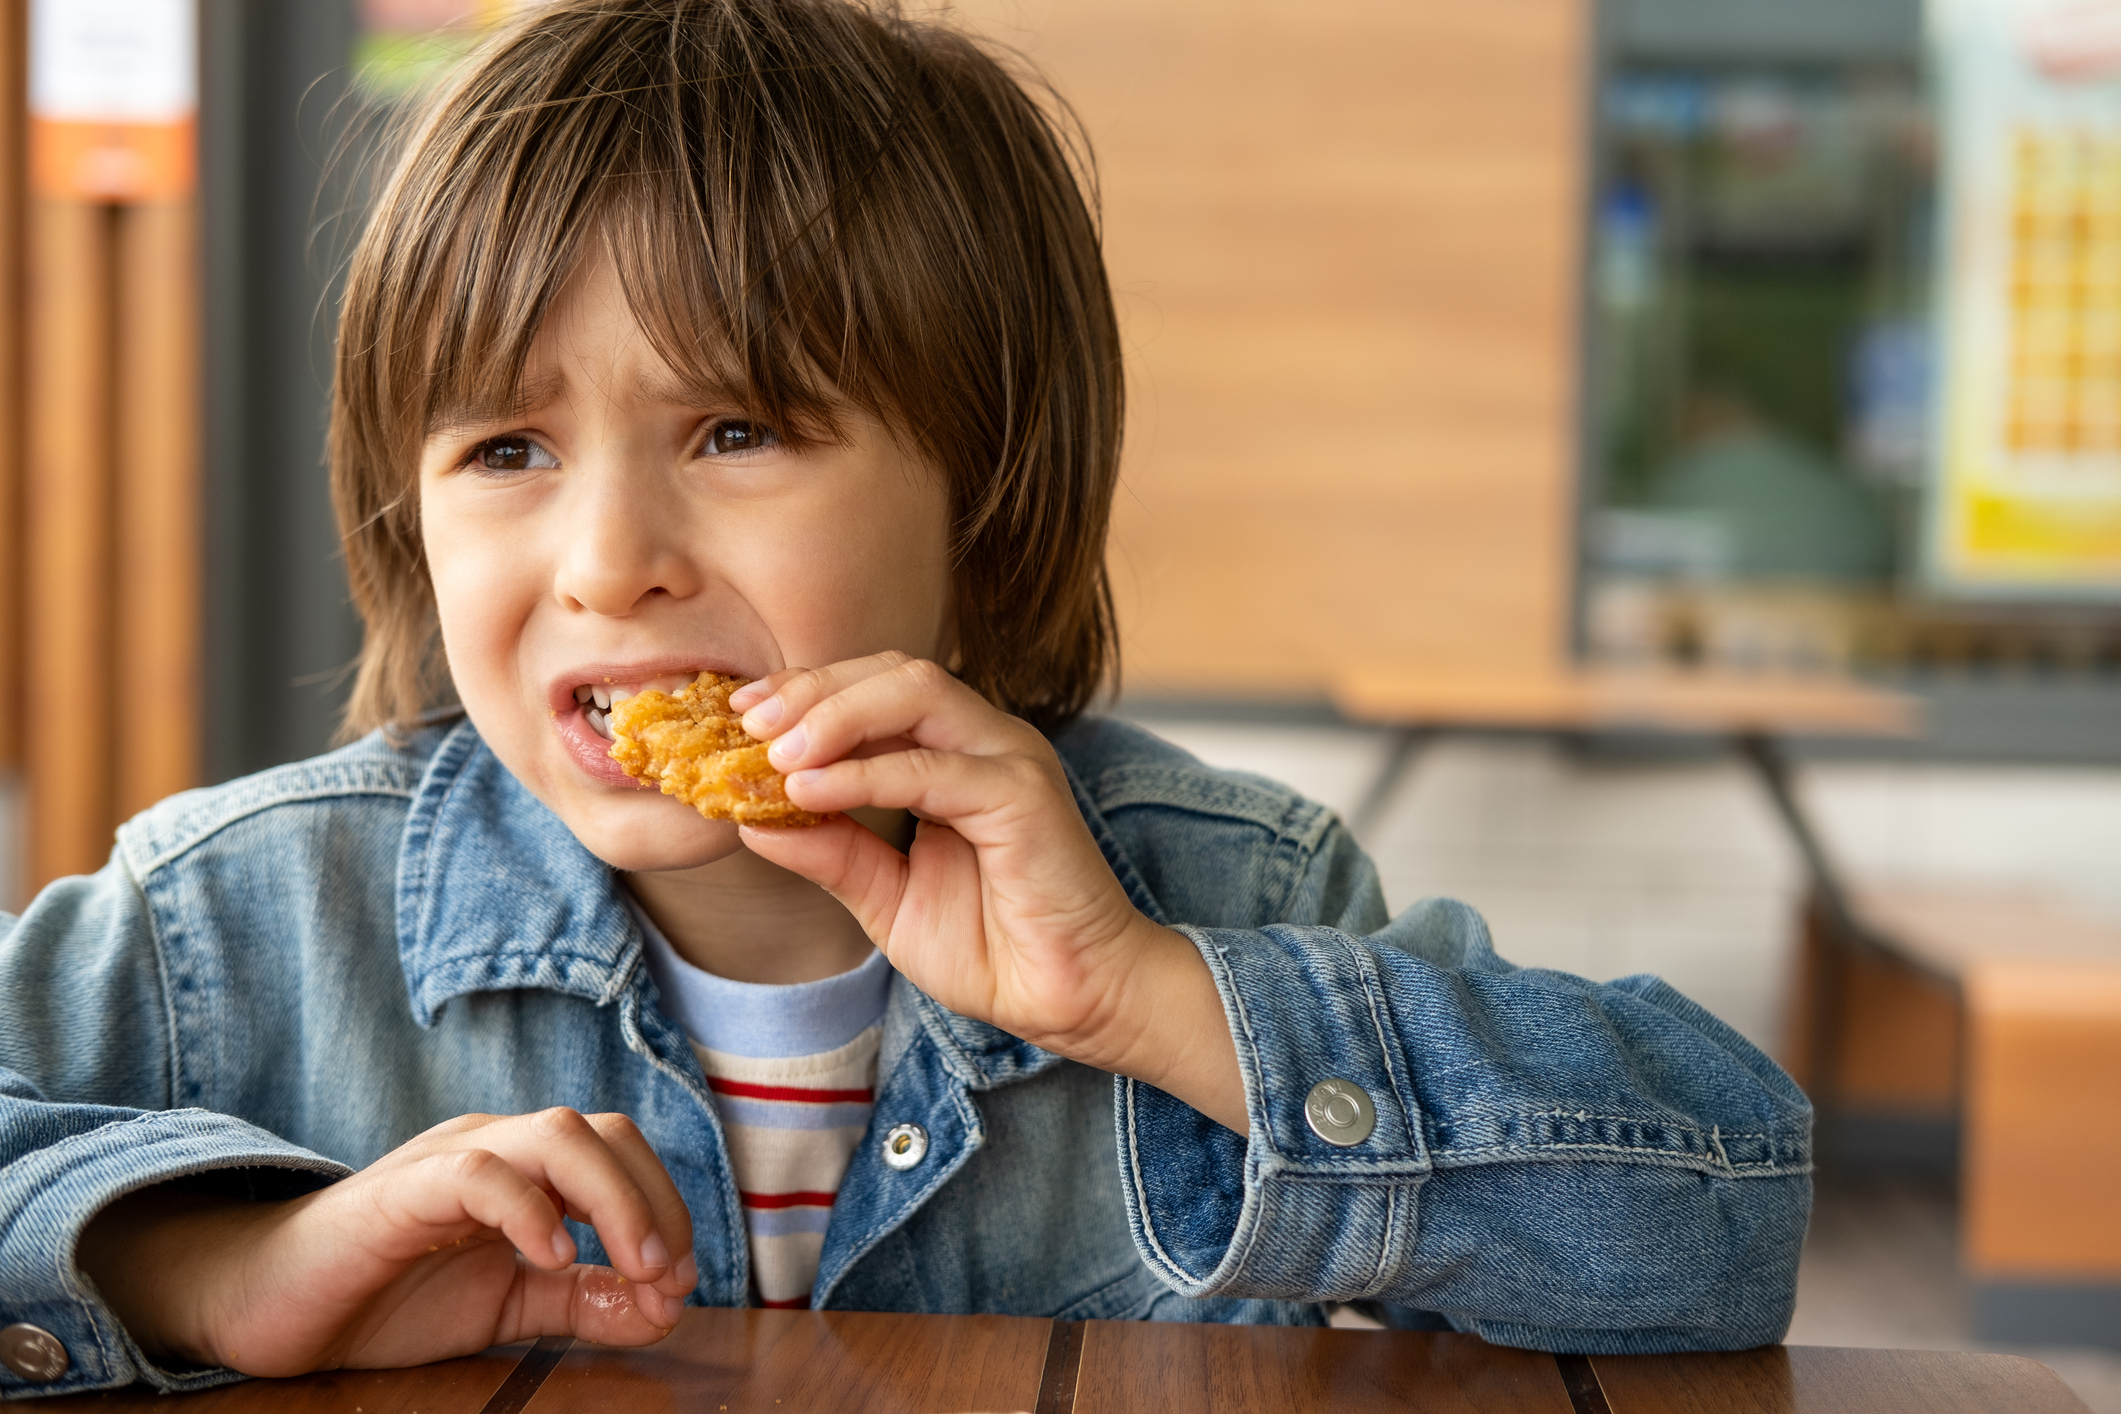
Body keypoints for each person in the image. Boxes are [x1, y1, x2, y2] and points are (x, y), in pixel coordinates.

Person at [0, 0, 1811, 1397]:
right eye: (506, 448)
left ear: (987, 492)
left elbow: (1723, 1227)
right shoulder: (229, 921)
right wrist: (225, 1269)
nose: (604, 557)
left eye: (735, 430)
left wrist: (1155, 999)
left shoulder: (1224, 896)